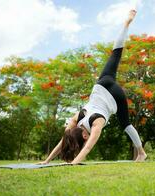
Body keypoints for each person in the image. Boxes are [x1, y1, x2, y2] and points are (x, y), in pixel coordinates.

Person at [39, 10, 147, 165]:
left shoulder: (97, 123)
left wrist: (72, 162)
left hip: (115, 97)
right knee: (115, 54)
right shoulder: (77, 118)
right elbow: (64, 140)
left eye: (85, 139)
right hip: (102, 84)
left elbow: (87, 148)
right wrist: (46, 160)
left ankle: (141, 153)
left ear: (84, 136)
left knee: (126, 124)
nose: (87, 139)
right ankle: (126, 24)